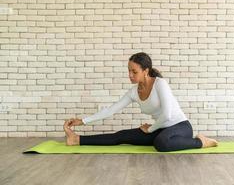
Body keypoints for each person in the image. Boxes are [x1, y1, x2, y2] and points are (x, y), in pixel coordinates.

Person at [63, 52, 218, 152]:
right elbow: (110, 110)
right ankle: (77, 139)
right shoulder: (133, 92)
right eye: (129, 71)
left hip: (180, 127)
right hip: (160, 129)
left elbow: (167, 114)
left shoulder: (160, 84)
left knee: (161, 143)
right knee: (121, 136)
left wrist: (150, 129)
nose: (130, 75)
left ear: (146, 71)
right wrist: (82, 121)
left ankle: (200, 142)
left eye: (134, 72)